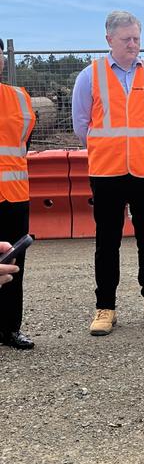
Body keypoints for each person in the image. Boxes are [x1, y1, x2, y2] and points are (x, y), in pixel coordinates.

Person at [72, 11, 144, 336]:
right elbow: (81, 125)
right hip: (107, 171)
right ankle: (106, 307)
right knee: (107, 241)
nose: (133, 44)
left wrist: (139, 147)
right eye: (126, 39)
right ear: (109, 40)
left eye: (136, 38)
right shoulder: (90, 76)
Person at [0, 38, 36, 348]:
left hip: (14, 194)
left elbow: (23, 142)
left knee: (13, 265)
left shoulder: (20, 99)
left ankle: (10, 328)